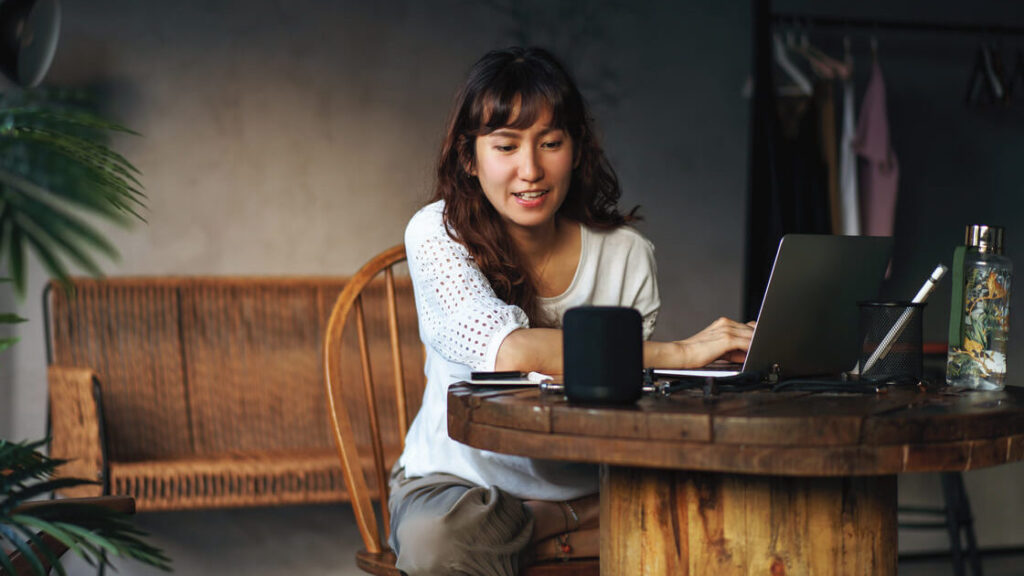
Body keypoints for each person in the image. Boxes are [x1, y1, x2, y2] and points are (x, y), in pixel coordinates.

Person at [390, 46, 754, 576]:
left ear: (577, 150)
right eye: (505, 146)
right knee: (436, 543)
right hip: (459, 485)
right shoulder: (438, 233)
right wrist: (680, 351)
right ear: (469, 158)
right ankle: (562, 523)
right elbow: (508, 352)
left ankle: (538, 523)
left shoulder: (627, 255)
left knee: (718, 507)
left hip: (596, 481)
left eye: (551, 143)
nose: (531, 169)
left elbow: (618, 406)